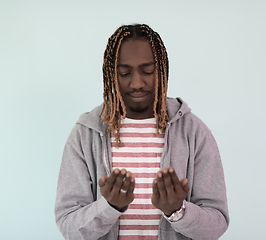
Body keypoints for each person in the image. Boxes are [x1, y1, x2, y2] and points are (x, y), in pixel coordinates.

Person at [55, 24, 229, 240]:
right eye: (125, 73)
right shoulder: (86, 134)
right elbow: (68, 226)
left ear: (162, 70)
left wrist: (177, 211)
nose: (137, 83)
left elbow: (217, 224)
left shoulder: (193, 132)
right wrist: (109, 207)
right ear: (111, 74)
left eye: (147, 71)